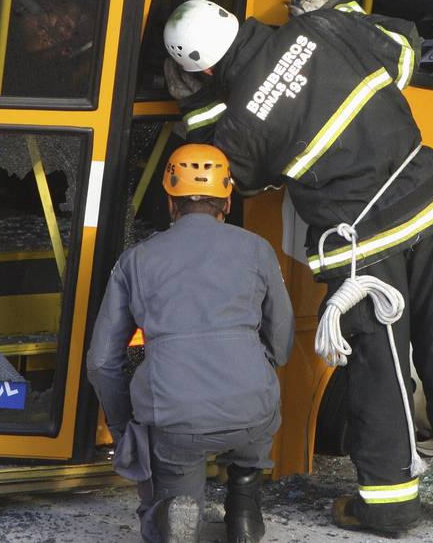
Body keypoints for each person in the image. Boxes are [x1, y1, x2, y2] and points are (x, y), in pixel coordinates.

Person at [162, 0, 433, 537]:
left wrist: (197, 106)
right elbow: (405, 54)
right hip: (428, 207)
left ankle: (391, 506)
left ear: (202, 66)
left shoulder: (244, 122)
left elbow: (235, 179)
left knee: (382, 371)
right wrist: (344, 10)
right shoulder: (324, 27)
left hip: (364, 247)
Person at [86, 143, 294, 543]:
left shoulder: (137, 260)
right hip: (252, 407)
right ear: (228, 200)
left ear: (170, 202)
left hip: (176, 414)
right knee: (252, 435)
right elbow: (281, 341)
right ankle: (245, 510)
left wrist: (122, 424)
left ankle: (179, 511)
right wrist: (252, 366)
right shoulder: (257, 249)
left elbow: (102, 361)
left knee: (171, 492)